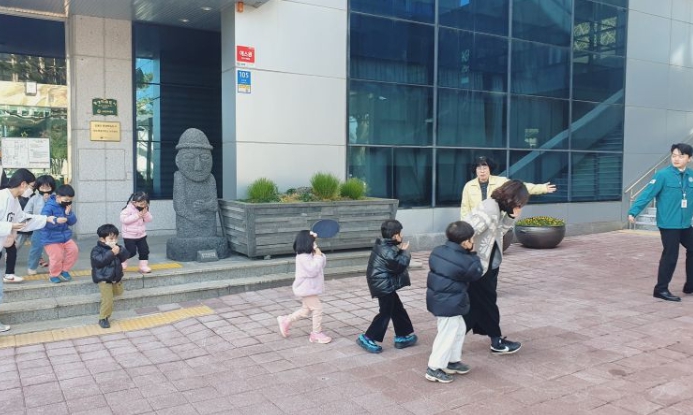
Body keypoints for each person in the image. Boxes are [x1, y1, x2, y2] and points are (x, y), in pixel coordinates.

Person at [463, 179, 529, 355]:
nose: (520, 207)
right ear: (513, 199)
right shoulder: (490, 209)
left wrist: (511, 217)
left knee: (482, 304)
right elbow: (467, 231)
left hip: (488, 264)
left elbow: (499, 232)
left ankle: (495, 340)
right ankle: (450, 345)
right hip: (478, 266)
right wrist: (469, 254)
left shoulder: (498, 207)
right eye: (520, 203)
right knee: (482, 304)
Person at [628, 143, 693, 302]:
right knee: (671, 255)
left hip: (685, 224)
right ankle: (661, 289)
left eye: (681, 156)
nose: (676, 159)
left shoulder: (691, 175)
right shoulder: (662, 175)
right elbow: (647, 194)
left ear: (689, 158)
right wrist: (633, 211)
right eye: (674, 156)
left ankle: (690, 285)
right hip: (669, 224)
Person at [425, 221, 483, 383]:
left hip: (441, 299)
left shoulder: (438, 251)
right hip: (449, 302)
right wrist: (472, 254)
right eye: (471, 239)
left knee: (459, 328)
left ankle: (451, 361)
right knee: (447, 334)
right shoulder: (466, 260)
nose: (473, 241)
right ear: (464, 242)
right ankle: (434, 368)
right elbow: (476, 273)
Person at [0, 169, 57, 332]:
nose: (32, 190)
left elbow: (23, 219)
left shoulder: (13, 200)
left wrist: (46, 219)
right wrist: (10, 226)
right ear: (23, 184)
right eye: (32, 186)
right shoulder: (2, 197)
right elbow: (16, 222)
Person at [356, 219, 417, 353]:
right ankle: (367, 338)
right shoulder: (387, 250)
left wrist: (399, 250)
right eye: (400, 233)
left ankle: (402, 336)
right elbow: (399, 265)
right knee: (385, 313)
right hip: (383, 286)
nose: (401, 236)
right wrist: (405, 252)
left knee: (397, 309)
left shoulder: (384, 245)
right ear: (395, 236)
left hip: (384, 284)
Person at [276, 230, 332, 344]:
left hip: (310, 288)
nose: (315, 244)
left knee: (305, 310)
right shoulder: (302, 257)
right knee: (317, 308)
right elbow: (313, 270)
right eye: (313, 242)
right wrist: (318, 256)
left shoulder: (309, 254)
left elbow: (321, 265)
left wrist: (319, 254)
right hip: (307, 289)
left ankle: (286, 320)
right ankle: (316, 333)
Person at [460, 156, 556, 218]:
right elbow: (465, 209)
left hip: (496, 221)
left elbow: (519, 187)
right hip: (477, 222)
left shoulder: (500, 181)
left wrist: (542, 188)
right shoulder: (469, 186)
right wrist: (465, 228)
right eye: (479, 168)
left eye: (485, 168)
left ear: (490, 169)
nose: (482, 171)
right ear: (475, 170)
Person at [91, 224, 130, 329]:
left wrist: (119, 250)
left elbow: (125, 256)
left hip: (115, 277)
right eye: (111, 238)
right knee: (108, 300)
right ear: (102, 239)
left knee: (119, 292)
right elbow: (99, 261)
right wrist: (111, 253)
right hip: (103, 278)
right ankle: (103, 318)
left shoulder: (117, 247)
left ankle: (111, 291)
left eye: (116, 238)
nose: (114, 240)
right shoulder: (96, 250)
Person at [40, 184, 78, 284]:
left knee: (74, 251)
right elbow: (43, 220)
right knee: (57, 257)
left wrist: (68, 213)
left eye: (70, 200)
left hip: (65, 236)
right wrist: (56, 220)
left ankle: (64, 270)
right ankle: (53, 275)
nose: (68, 202)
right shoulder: (49, 206)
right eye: (66, 199)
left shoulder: (66, 206)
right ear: (58, 197)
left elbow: (72, 222)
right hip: (50, 238)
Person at [23, 175, 56, 275]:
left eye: (48, 187)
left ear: (52, 187)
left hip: (54, 228)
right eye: (42, 187)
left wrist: (49, 201)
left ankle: (55, 268)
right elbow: (26, 212)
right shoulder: (34, 198)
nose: (45, 190)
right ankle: (32, 267)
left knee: (55, 250)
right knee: (36, 249)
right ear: (38, 187)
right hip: (39, 228)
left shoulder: (56, 198)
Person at [120, 191, 153, 273]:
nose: (143, 205)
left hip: (141, 235)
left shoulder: (144, 209)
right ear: (134, 202)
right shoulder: (127, 209)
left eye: (145, 203)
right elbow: (124, 220)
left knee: (144, 250)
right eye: (141, 203)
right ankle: (122, 260)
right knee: (131, 252)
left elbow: (149, 219)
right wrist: (138, 215)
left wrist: (145, 213)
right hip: (129, 236)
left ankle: (143, 266)